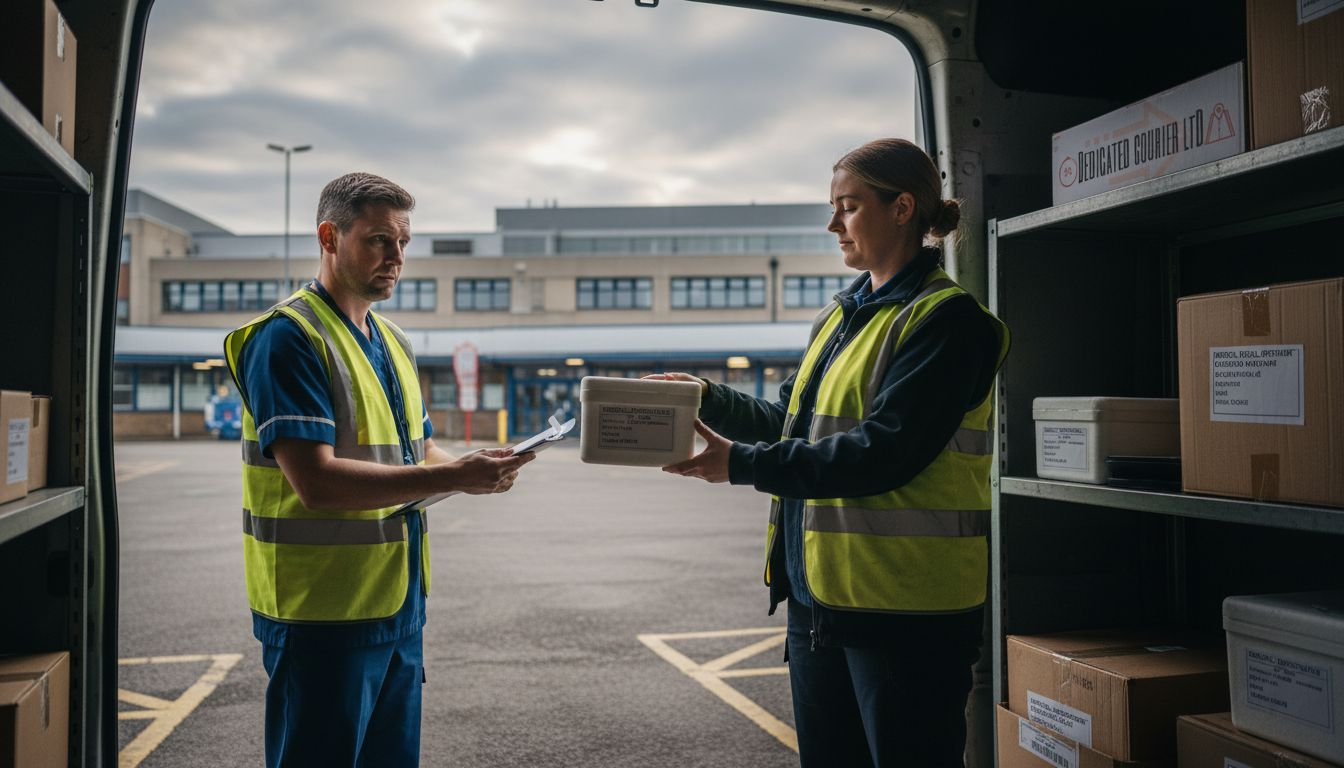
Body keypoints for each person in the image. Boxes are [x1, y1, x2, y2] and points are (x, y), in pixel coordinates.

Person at [652, 139, 1010, 767]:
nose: (832, 224)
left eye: (847, 206)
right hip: (822, 603)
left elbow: (884, 453)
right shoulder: (842, 317)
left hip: (905, 615)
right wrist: (704, 398)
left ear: (902, 208)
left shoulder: (948, 323)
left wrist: (739, 464)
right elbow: (790, 424)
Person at [223, 172, 534, 767]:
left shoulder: (392, 341)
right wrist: (452, 477)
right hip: (321, 614)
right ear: (329, 236)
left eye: (403, 242)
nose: (395, 257)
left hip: (395, 607)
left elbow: (418, 453)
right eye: (378, 240)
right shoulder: (286, 339)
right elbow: (315, 482)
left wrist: (479, 467)